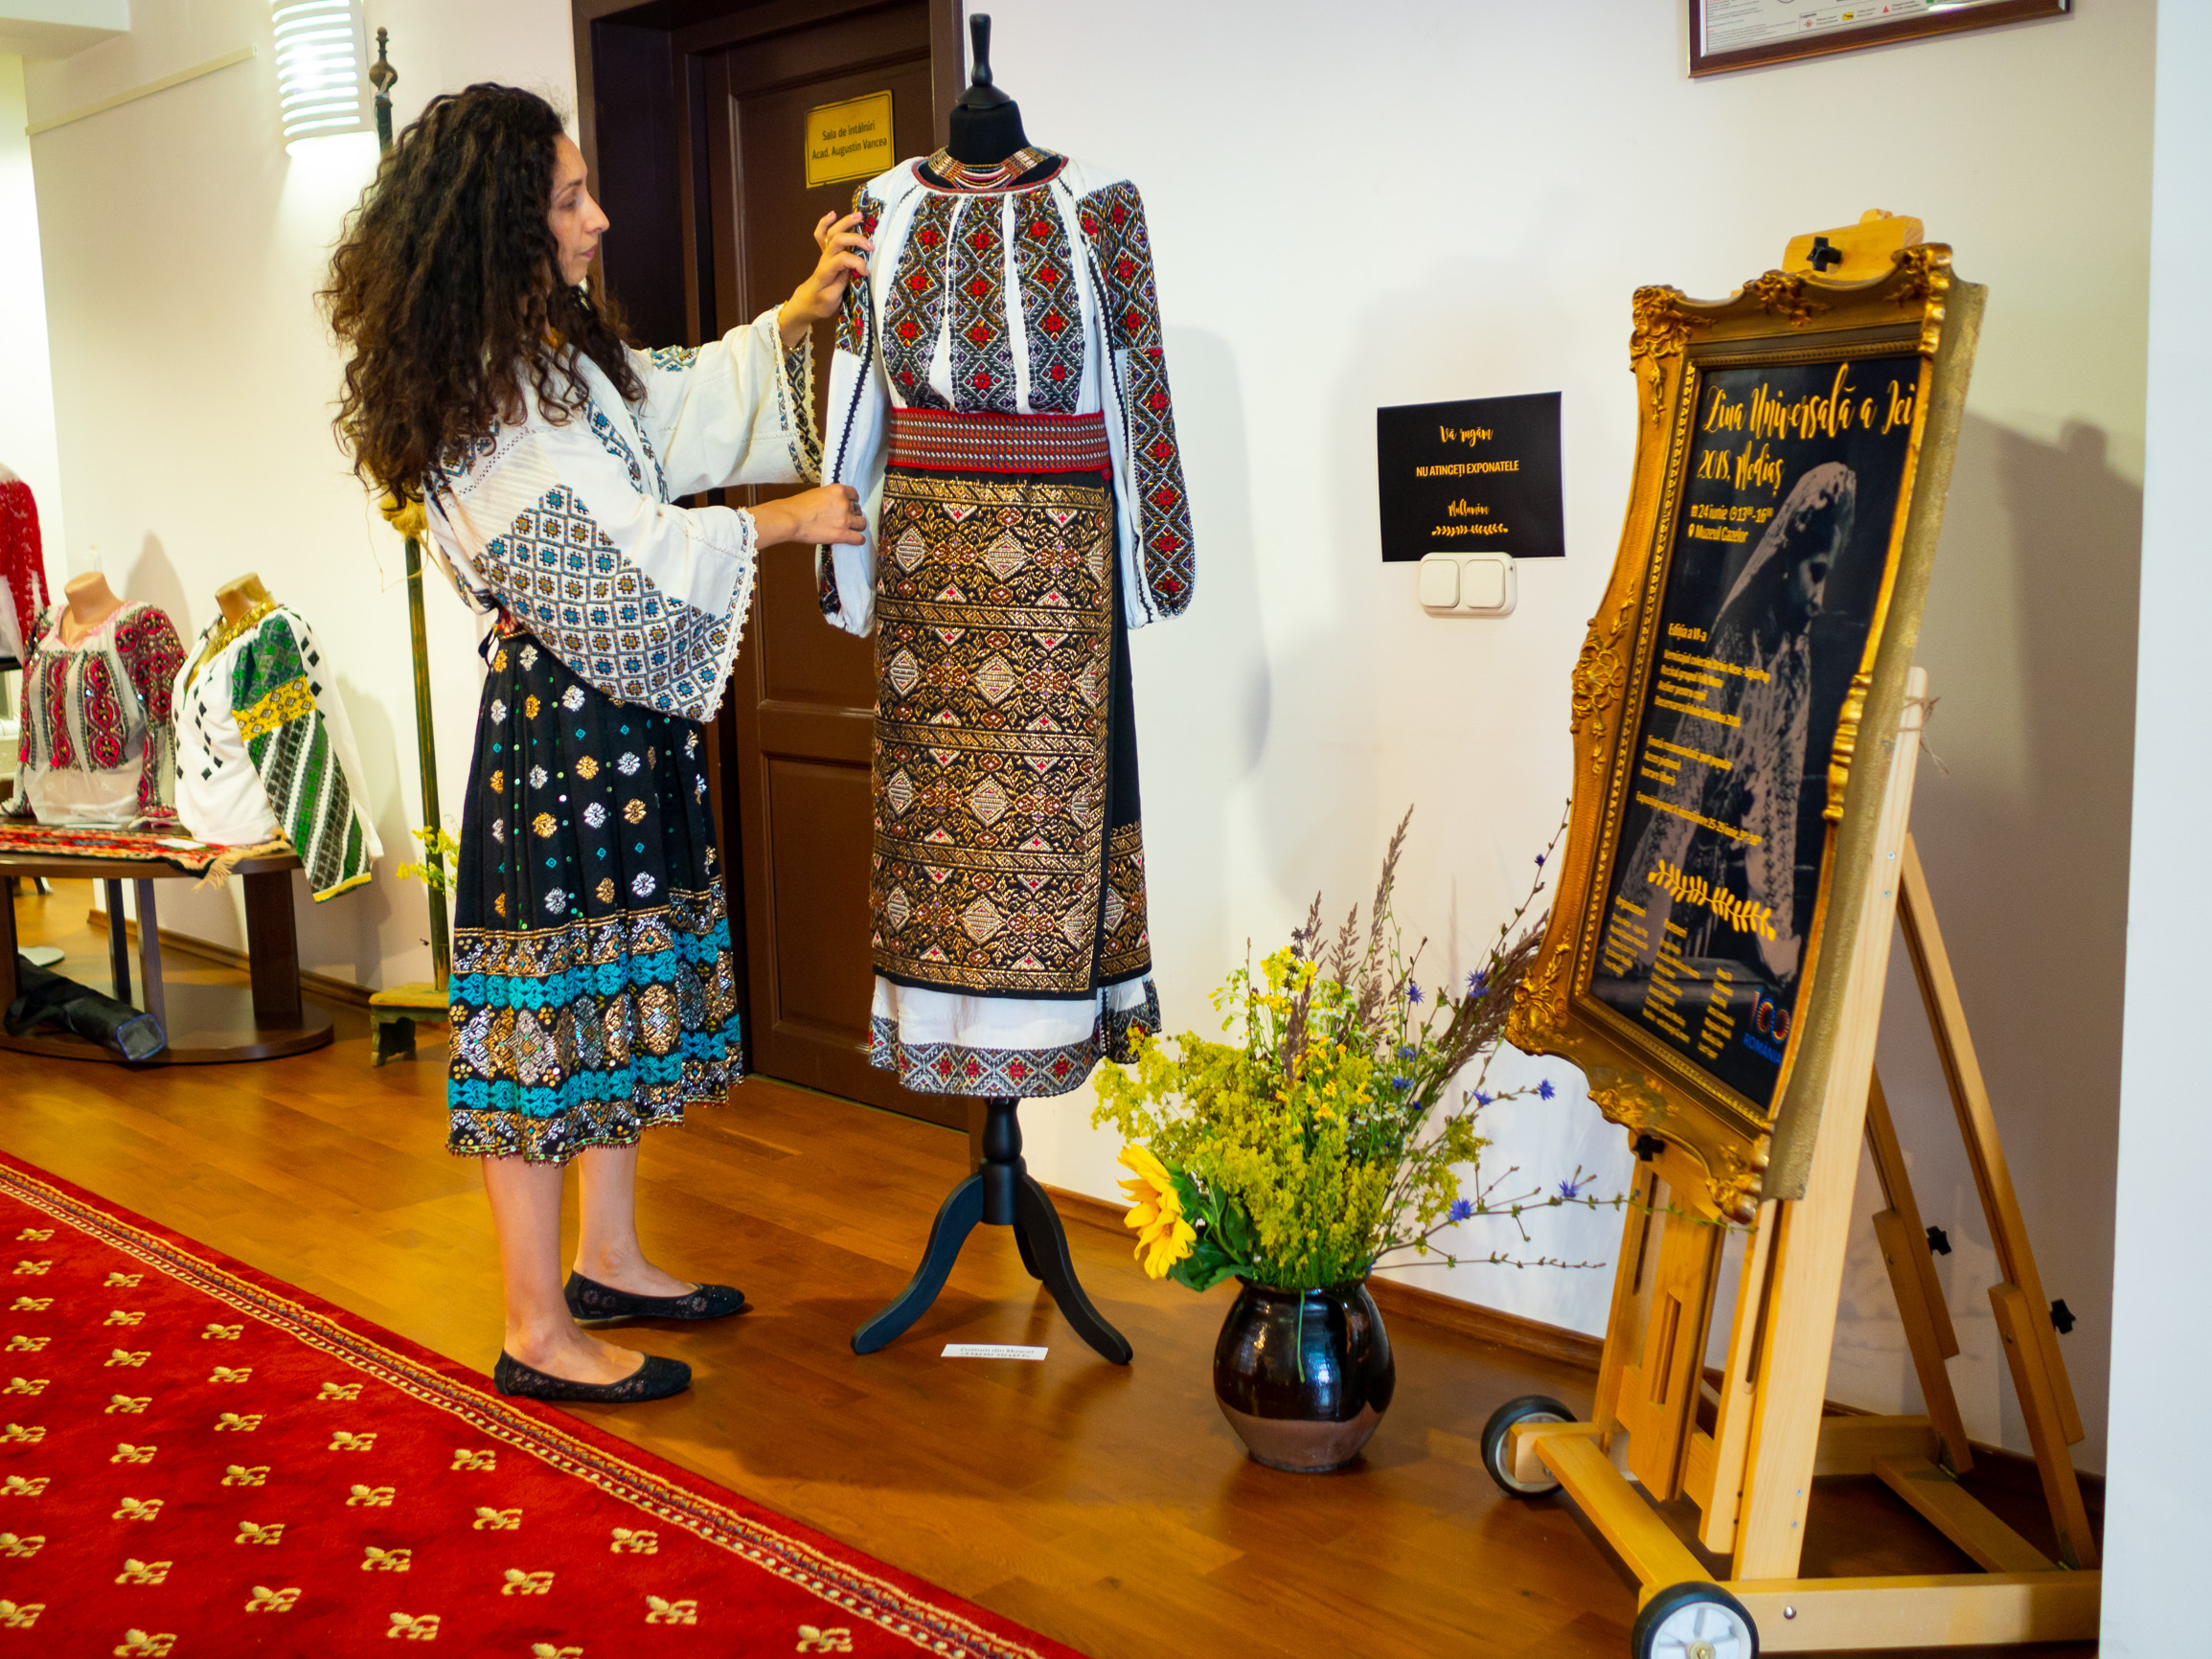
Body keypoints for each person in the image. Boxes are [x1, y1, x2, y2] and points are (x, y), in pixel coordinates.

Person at [324, 83, 869, 1402]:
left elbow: (656, 410)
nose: (599, 218)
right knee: (544, 1017)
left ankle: (608, 1258)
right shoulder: (485, 394)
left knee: (614, 989)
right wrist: (784, 521)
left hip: (609, 720)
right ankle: (534, 1328)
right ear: (501, 224)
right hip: (557, 730)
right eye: (570, 199)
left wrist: (793, 316)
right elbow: (612, 547)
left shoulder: (545, 357)